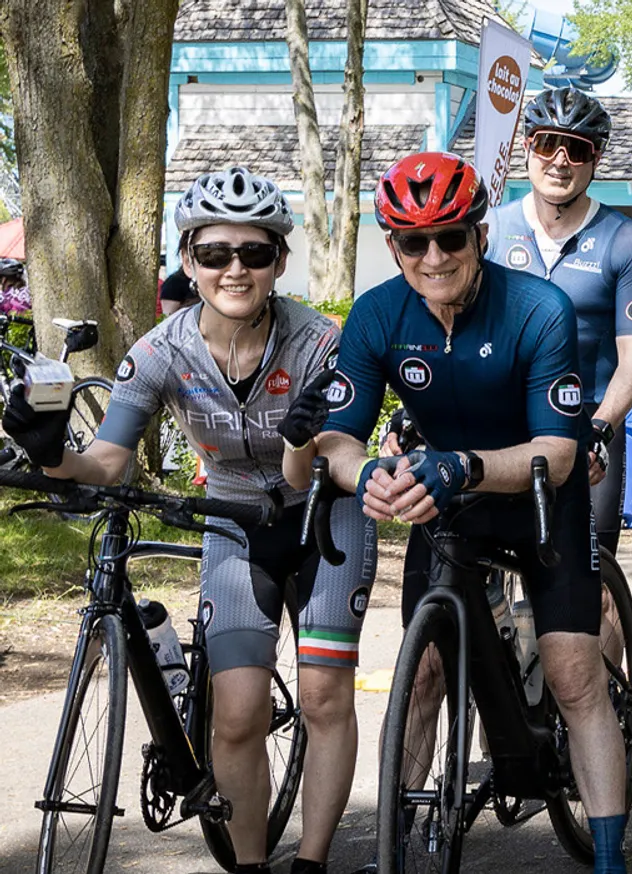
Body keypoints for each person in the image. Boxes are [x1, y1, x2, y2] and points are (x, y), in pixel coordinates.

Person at [3, 168, 376, 874]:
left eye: (254, 253)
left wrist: (302, 438)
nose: (235, 269)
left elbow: (311, 470)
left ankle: (315, 862)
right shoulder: (159, 351)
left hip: (323, 518)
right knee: (236, 714)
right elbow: (111, 460)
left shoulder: (319, 343)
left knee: (325, 696)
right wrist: (52, 455)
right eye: (214, 254)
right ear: (188, 261)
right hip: (230, 523)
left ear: (279, 263)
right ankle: (251, 866)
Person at [312, 151, 632, 874]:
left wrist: (468, 465)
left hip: (542, 499)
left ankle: (610, 859)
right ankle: (395, 847)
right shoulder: (376, 314)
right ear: (391, 247)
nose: (433, 256)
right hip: (448, 500)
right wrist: (363, 473)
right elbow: (337, 437)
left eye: (450, 237)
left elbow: (557, 444)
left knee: (574, 673)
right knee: (424, 668)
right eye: (413, 242)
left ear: (480, 236)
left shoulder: (536, 307)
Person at [485, 85, 632, 553]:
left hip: (589, 420)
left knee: (594, 589)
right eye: (546, 144)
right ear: (526, 147)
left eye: (576, 149)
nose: (559, 160)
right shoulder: (493, 231)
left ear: (595, 158)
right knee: (479, 570)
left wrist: (599, 430)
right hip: (503, 419)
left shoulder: (625, 242)